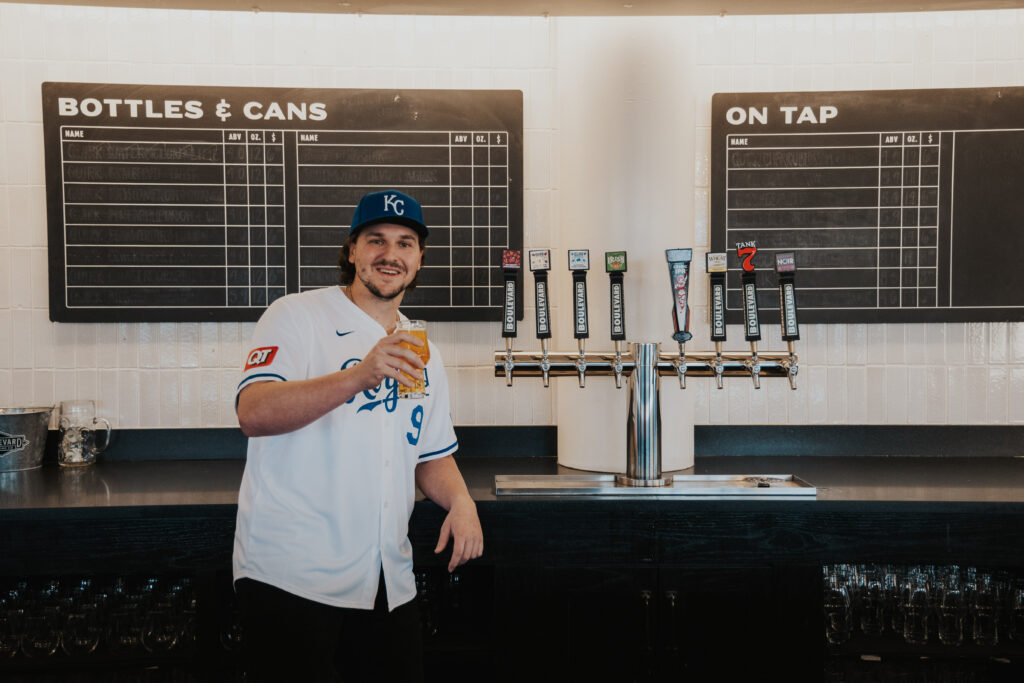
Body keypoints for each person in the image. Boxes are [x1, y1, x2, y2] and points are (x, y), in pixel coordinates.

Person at [233, 189, 484, 682]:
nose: (391, 254)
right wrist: (358, 376)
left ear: (419, 259)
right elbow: (253, 412)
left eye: (405, 243)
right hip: (293, 577)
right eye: (376, 240)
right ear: (352, 251)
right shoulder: (296, 316)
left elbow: (429, 454)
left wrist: (461, 502)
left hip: (388, 578)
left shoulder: (422, 349)